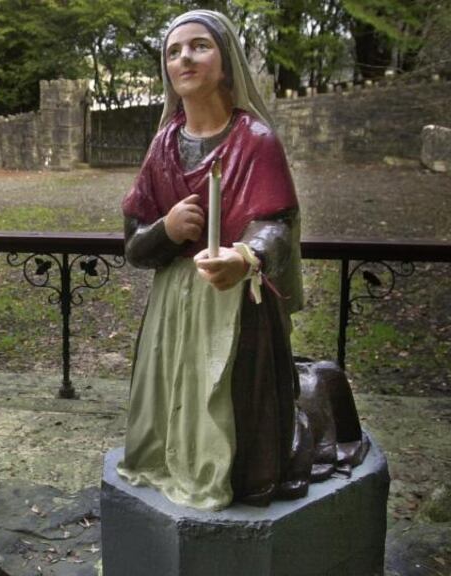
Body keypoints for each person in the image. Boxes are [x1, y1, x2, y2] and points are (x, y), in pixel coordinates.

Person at [118, 9, 366, 510]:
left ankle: (235, 470)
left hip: (235, 303)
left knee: (234, 410)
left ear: (226, 60)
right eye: (173, 50)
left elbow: (276, 221)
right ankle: (173, 458)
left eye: (199, 46)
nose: (184, 57)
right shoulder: (163, 146)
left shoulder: (254, 140)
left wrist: (245, 255)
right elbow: (133, 242)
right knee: (173, 396)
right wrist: (165, 230)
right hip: (173, 305)